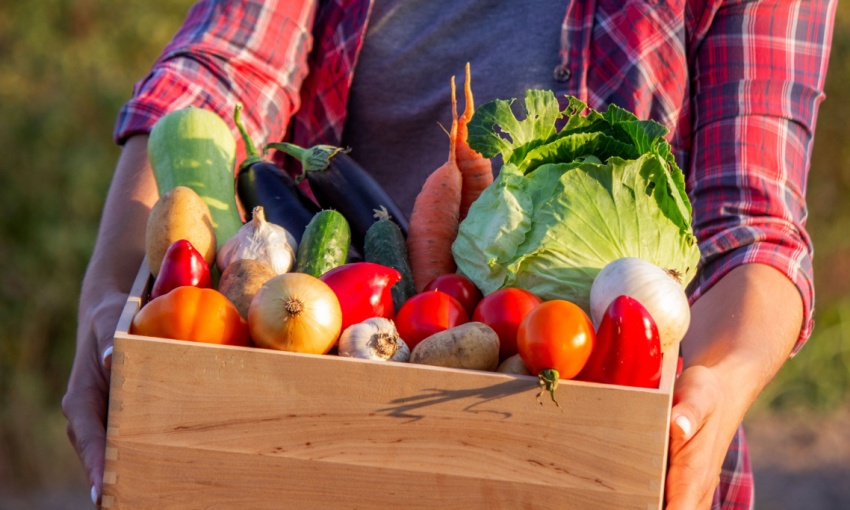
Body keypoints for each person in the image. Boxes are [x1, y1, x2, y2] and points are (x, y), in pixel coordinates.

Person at [62, 0, 837, 508]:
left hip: (594, 444)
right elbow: (219, 70)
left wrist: (714, 389)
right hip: (324, 414)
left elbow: (753, 221)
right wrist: (112, 288)